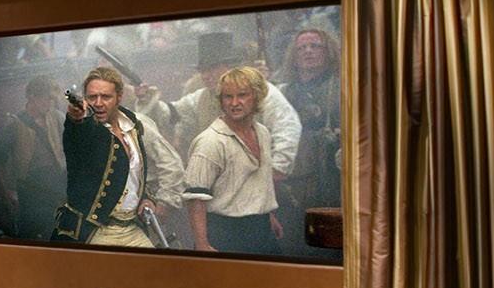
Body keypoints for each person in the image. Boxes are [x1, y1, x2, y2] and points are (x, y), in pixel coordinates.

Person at [137, 31, 301, 179]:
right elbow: (169, 114)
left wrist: (277, 168)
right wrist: (148, 99)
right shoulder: (200, 98)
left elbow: (287, 126)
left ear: (230, 67)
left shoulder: (261, 92)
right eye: (202, 70)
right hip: (217, 183)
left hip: (256, 180)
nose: (206, 76)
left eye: (212, 68)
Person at [53, 66, 183, 248]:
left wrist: (154, 200)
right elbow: (75, 140)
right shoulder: (85, 130)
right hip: (94, 231)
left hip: (133, 227)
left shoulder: (137, 126)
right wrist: (76, 119)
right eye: (92, 97)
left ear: (119, 97)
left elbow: (157, 169)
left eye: (106, 97)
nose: (98, 103)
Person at [182, 66, 282, 255]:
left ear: (256, 96)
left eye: (242, 95)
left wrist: (267, 215)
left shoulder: (262, 133)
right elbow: (196, 199)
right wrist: (201, 244)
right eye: (228, 97)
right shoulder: (210, 142)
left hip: (261, 229)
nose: (234, 103)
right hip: (226, 233)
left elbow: (257, 183)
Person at [274, 27, 341, 260]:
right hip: (292, 182)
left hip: (331, 180)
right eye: (302, 47)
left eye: (315, 46)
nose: (308, 51)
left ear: (328, 51)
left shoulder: (343, 86)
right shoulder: (282, 93)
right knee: (293, 246)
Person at [0, 75, 68, 241]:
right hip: (31, 189)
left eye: (51, 99)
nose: (49, 103)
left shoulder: (56, 117)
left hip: (57, 184)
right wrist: (7, 193)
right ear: (32, 97)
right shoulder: (15, 124)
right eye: (46, 99)